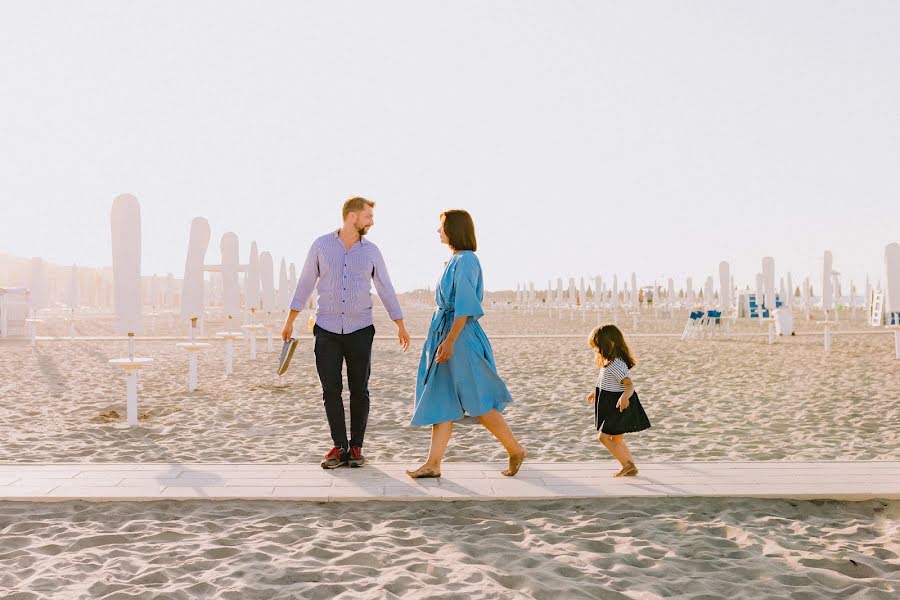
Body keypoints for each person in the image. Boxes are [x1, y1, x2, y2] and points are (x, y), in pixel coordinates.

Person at [282, 197, 410, 469]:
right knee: (331, 390)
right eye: (368, 216)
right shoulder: (321, 245)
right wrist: (290, 320)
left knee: (359, 390)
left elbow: (385, 287)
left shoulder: (372, 251)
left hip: (361, 329)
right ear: (352, 216)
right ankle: (339, 446)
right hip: (326, 328)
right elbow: (305, 283)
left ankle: (356, 448)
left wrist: (399, 323)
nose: (372, 222)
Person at [406, 210, 526, 478]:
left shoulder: (467, 260)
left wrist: (449, 341)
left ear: (454, 229)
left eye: (441, 227)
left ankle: (515, 449)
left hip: (459, 337)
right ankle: (433, 463)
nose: (438, 231)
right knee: (441, 398)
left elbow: (465, 306)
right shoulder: (453, 260)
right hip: (444, 333)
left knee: (478, 398)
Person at [585, 324, 651, 476]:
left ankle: (627, 464)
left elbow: (629, 385)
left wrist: (624, 397)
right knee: (616, 438)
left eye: (598, 347)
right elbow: (606, 381)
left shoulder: (615, 364)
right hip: (609, 400)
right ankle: (630, 466)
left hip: (617, 404)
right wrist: (595, 392)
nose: (596, 350)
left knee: (604, 437)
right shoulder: (609, 361)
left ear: (609, 344)